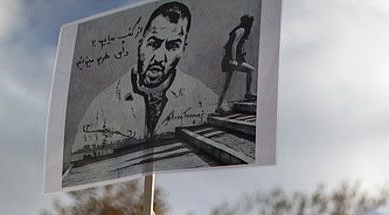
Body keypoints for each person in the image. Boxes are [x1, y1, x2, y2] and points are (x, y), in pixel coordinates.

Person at [69, 1, 218, 157]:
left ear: (183, 49)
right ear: (141, 44)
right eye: (153, 44)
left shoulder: (205, 100)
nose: (160, 58)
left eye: (173, 46)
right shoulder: (102, 107)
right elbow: (78, 165)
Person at [216, 15, 256, 113]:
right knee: (250, 70)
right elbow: (234, 44)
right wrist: (234, 59)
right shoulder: (242, 30)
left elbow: (226, 46)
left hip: (230, 59)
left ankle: (218, 107)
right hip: (233, 60)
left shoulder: (238, 30)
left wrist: (239, 53)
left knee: (225, 85)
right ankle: (247, 92)